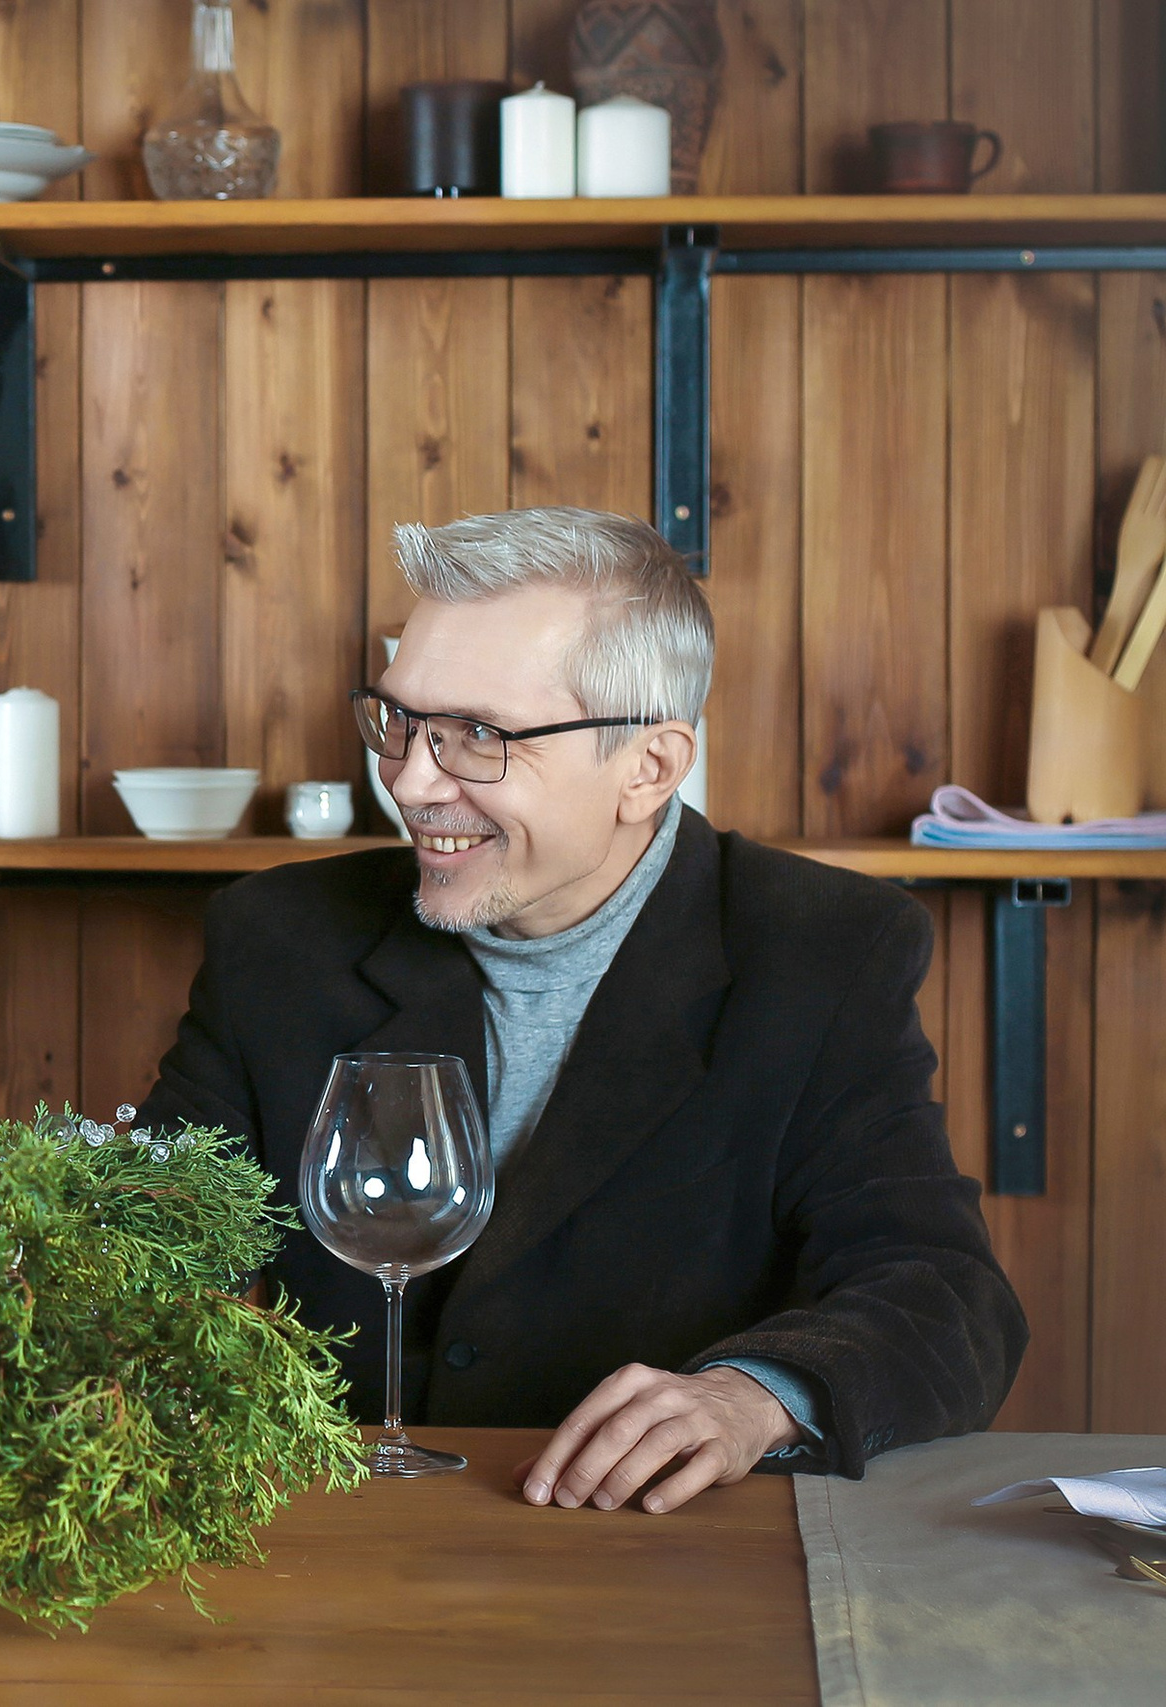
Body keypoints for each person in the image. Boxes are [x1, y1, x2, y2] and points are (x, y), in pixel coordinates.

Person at [134, 507, 1026, 1515]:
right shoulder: (279, 937)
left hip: (662, 1560)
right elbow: (153, 1239)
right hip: (340, 1537)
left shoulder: (820, 951)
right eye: (397, 720)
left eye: (477, 735)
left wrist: (750, 1400)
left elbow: (944, 1293)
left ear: (647, 768)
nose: (411, 782)